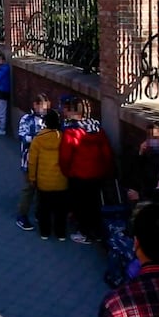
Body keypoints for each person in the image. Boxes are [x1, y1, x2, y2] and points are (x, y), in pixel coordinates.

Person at [59, 95, 115, 244]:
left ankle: (84, 232)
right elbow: (106, 152)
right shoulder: (97, 129)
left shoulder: (71, 132)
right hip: (97, 173)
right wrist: (106, 169)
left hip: (78, 174)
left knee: (80, 205)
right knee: (94, 203)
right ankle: (97, 232)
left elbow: (65, 156)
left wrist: (66, 171)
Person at [28, 110, 69, 240]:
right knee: (60, 209)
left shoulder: (38, 139)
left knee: (44, 208)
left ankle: (44, 232)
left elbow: (32, 161)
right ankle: (61, 233)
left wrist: (32, 178)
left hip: (44, 181)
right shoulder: (63, 137)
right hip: (61, 180)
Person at [16, 94, 50, 231]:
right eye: (42, 106)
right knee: (29, 189)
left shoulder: (48, 119)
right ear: (35, 105)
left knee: (42, 189)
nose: (44, 110)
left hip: (45, 161)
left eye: (46, 107)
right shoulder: (26, 119)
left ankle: (38, 213)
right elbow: (23, 137)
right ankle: (22, 215)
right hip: (29, 160)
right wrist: (41, 138)